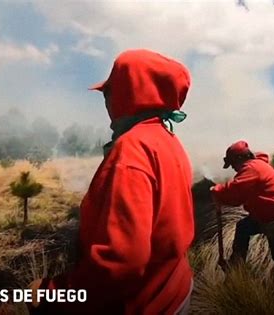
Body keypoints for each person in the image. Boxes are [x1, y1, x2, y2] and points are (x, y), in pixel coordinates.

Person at [29, 49, 195, 315]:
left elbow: (122, 262)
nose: (105, 103)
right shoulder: (167, 140)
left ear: (129, 92)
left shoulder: (132, 149)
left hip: (142, 305)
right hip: (173, 291)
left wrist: (54, 293)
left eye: (108, 93)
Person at [211, 140, 274, 287]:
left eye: (233, 163)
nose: (233, 168)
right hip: (267, 217)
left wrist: (217, 190)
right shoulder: (256, 166)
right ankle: (237, 265)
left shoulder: (252, 168)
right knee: (243, 227)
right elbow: (236, 198)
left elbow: (236, 192)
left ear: (240, 159)